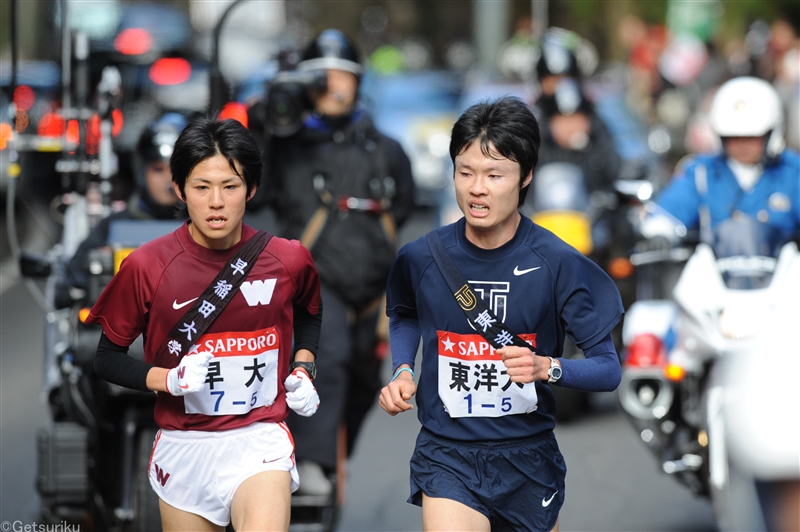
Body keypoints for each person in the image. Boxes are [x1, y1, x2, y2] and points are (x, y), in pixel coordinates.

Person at [378, 96, 624, 531]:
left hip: (529, 459)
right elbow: (405, 314)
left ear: (526, 176)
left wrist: (547, 367)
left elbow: (608, 370)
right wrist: (402, 368)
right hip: (446, 455)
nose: (477, 188)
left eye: (494, 175)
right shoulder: (421, 258)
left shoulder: (558, 262)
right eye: (465, 172)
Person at [86, 116, 323, 531]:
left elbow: (309, 312)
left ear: (250, 189)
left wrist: (303, 367)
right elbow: (106, 357)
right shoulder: (147, 265)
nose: (216, 202)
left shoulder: (288, 259)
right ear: (180, 189)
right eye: (201, 187)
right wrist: (167, 380)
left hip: (259, 438)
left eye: (230, 187)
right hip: (184, 446)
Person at [251, 28, 415, 495]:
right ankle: (314, 465)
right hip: (316, 281)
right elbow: (249, 177)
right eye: (322, 78)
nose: (334, 87)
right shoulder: (286, 148)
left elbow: (402, 205)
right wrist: (265, 117)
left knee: (365, 381)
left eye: (343, 76)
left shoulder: (387, 150)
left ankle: (332, 455)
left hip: (374, 286)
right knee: (331, 358)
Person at [54, 111, 189, 309]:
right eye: (158, 169)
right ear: (142, 171)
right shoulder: (114, 227)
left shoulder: (213, 227)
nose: (168, 179)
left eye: (176, 169)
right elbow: (66, 289)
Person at [650, 76, 800, 243]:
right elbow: (670, 211)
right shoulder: (702, 173)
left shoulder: (792, 172)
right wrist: (659, 235)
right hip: (714, 268)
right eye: (733, 137)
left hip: (783, 267)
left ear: (771, 134)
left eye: (752, 137)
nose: (743, 144)